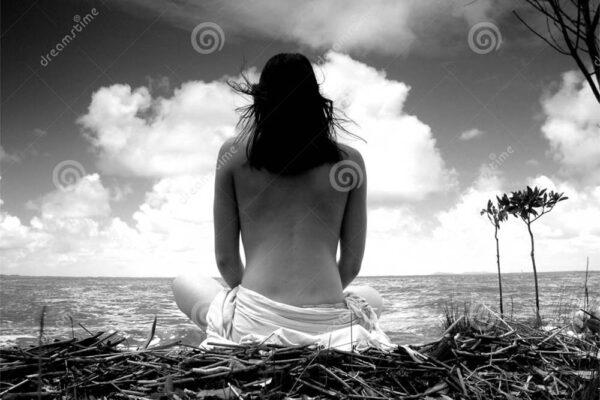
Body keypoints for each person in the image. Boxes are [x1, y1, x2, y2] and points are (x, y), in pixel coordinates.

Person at [173, 53, 393, 351]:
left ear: (262, 100)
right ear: (315, 101)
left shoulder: (233, 155)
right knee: (372, 297)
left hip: (254, 322)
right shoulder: (350, 162)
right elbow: (352, 264)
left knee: (185, 281)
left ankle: (247, 328)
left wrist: (254, 302)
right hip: (329, 327)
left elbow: (225, 260)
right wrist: (312, 305)